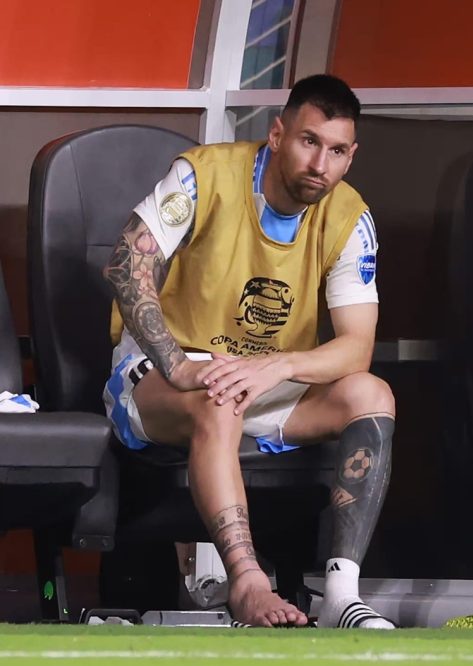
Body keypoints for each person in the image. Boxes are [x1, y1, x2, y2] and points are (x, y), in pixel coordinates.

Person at [102, 74, 396, 626]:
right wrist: (179, 365)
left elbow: (357, 347)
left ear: (350, 157)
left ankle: (340, 595)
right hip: (165, 372)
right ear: (278, 134)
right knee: (218, 398)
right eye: (309, 142)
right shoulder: (203, 174)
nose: (320, 165)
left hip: (261, 377)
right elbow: (125, 264)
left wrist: (277, 366)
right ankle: (246, 580)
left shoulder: (350, 217)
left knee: (371, 394)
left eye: (336, 151)